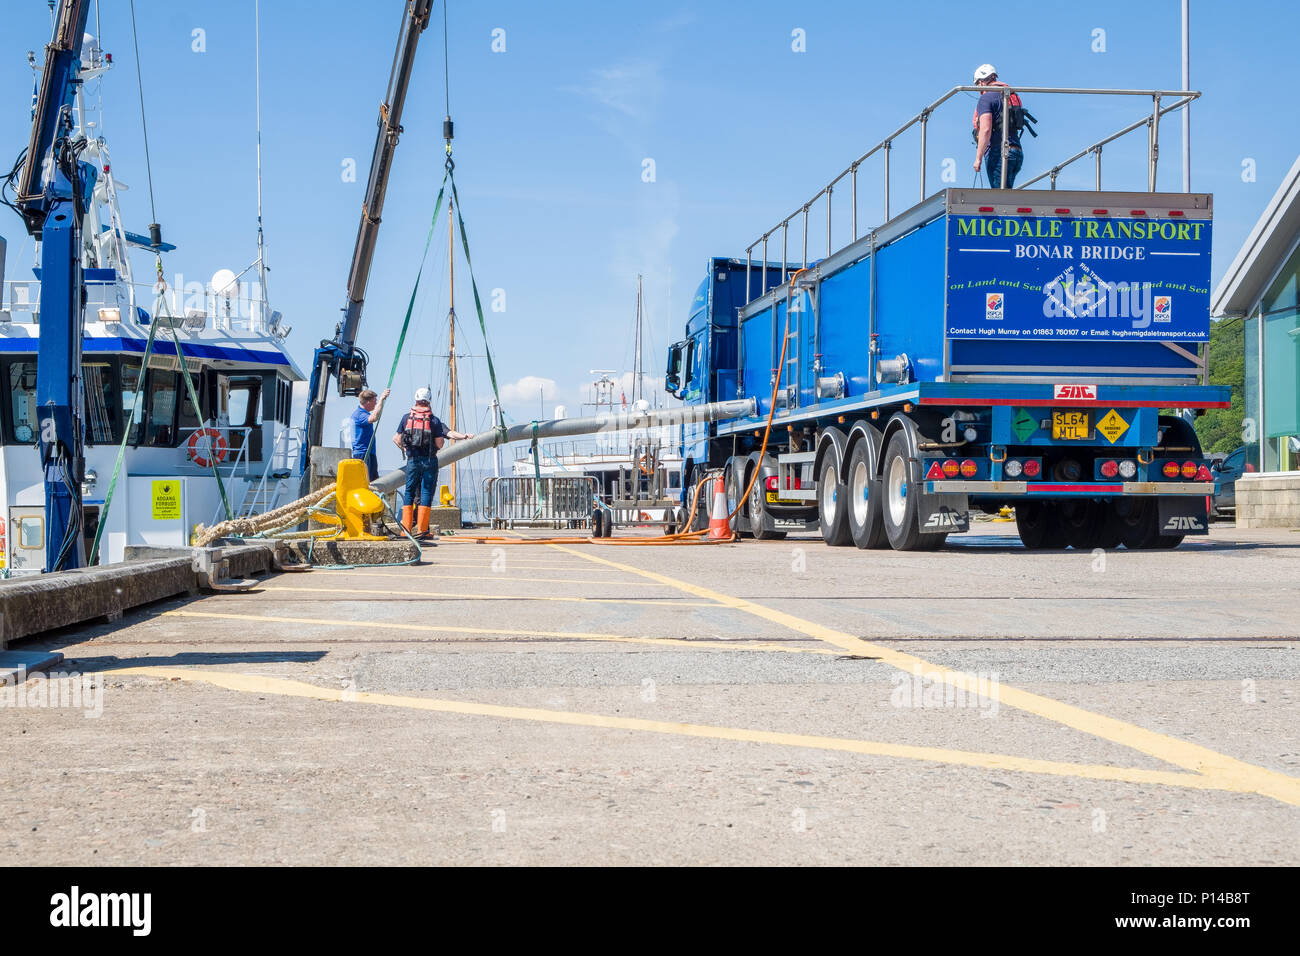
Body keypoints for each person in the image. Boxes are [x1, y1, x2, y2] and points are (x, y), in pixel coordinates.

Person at [392, 386, 471, 538]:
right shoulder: (434, 421)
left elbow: (396, 438)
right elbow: (440, 443)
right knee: (426, 493)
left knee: (409, 492)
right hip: (429, 461)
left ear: (416, 399)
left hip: (412, 460)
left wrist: (405, 448)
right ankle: (422, 531)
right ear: (429, 401)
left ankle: (406, 530)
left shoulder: (406, 418)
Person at [971, 63, 1024, 189]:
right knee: (1007, 194)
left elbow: (986, 129)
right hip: (1017, 152)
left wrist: (978, 158)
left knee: (1000, 200)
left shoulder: (986, 99)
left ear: (981, 82)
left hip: (999, 152)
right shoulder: (1010, 96)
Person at [350, 387, 390, 482]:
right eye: (374, 401)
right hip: (363, 453)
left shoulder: (363, 413)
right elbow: (374, 417)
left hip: (369, 452)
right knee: (366, 481)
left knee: (373, 481)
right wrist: (381, 399)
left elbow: (375, 415)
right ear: (368, 402)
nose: (375, 404)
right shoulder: (359, 415)